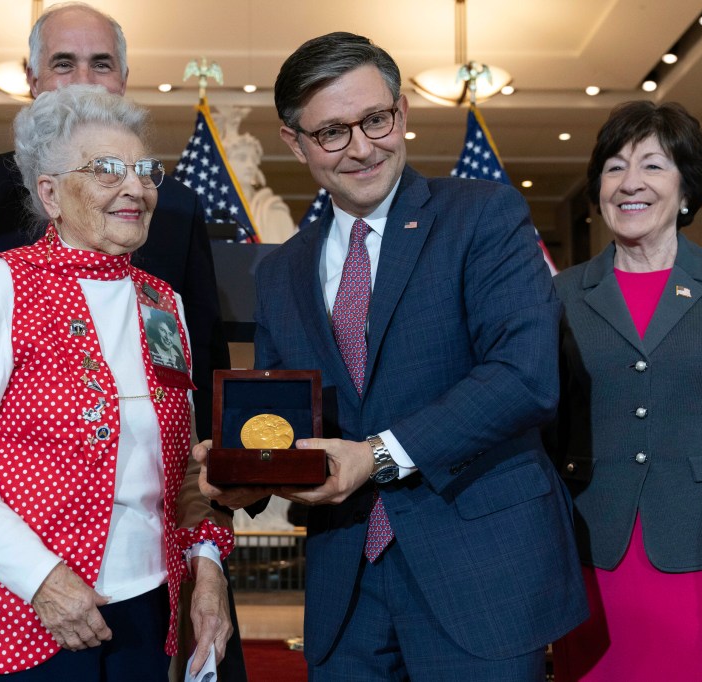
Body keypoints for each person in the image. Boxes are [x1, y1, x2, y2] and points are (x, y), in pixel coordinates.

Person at [196, 32, 588, 680]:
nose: (361, 147)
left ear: (401, 112)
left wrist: (376, 456)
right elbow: (287, 417)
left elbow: (525, 375)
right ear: (294, 142)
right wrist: (246, 470)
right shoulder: (282, 272)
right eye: (332, 132)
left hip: (481, 576)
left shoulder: (483, 216)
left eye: (375, 119)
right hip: (344, 590)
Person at [0, 85, 234, 681]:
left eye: (144, 171)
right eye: (107, 170)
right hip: (16, 609)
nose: (135, 187)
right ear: (49, 192)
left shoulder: (164, 303)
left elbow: (182, 463)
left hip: (145, 612)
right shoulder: (0, 284)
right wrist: (42, 578)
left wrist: (206, 564)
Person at [547, 100, 702, 680]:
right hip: (590, 555)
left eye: (652, 165)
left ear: (686, 188)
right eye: (614, 166)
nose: (630, 183)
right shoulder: (561, 294)